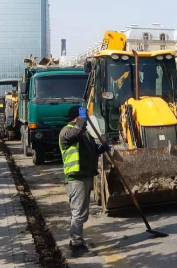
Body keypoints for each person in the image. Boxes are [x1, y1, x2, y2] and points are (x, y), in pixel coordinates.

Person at [59, 106, 110, 257]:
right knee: (78, 213)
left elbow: (91, 150)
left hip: (86, 176)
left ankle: (76, 240)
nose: (86, 122)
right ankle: (76, 245)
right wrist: (82, 119)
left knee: (82, 212)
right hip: (76, 178)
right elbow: (74, 134)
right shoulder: (66, 131)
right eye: (82, 119)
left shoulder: (84, 134)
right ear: (76, 118)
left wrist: (101, 148)